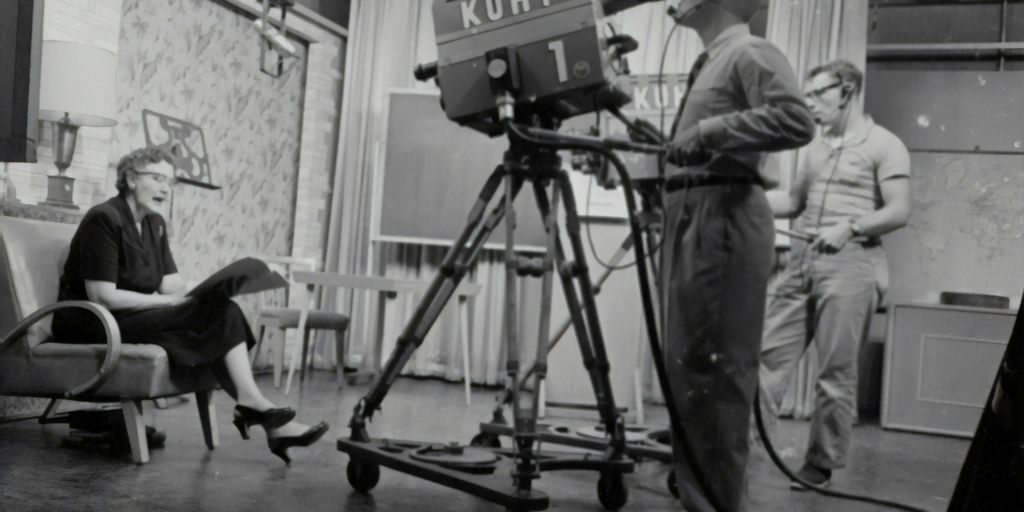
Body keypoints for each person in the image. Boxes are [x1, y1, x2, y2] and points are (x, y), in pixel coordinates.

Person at [52, 147, 328, 464]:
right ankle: (257, 409)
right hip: (93, 323)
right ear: (130, 178)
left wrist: (217, 285)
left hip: (134, 318)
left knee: (221, 308)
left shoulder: (154, 224)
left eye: (170, 182)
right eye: (156, 178)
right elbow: (102, 296)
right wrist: (168, 302)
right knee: (222, 315)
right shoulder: (104, 218)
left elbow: (172, 283)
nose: (165, 188)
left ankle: (265, 417)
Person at [649, 1, 816, 510]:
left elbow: (795, 119)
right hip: (696, 211)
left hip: (722, 213)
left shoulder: (748, 50)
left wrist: (707, 134)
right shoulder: (713, 62)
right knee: (689, 369)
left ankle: (717, 504)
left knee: (715, 373)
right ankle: (702, 496)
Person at [758, 59, 911, 489]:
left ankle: (820, 464)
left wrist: (851, 226)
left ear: (846, 91)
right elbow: (792, 202)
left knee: (834, 372)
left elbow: (900, 210)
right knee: (765, 358)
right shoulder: (815, 146)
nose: (809, 105)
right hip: (803, 258)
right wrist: (742, 192)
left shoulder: (885, 144)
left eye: (817, 95)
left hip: (852, 263)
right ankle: (745, 447)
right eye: (804, 97)